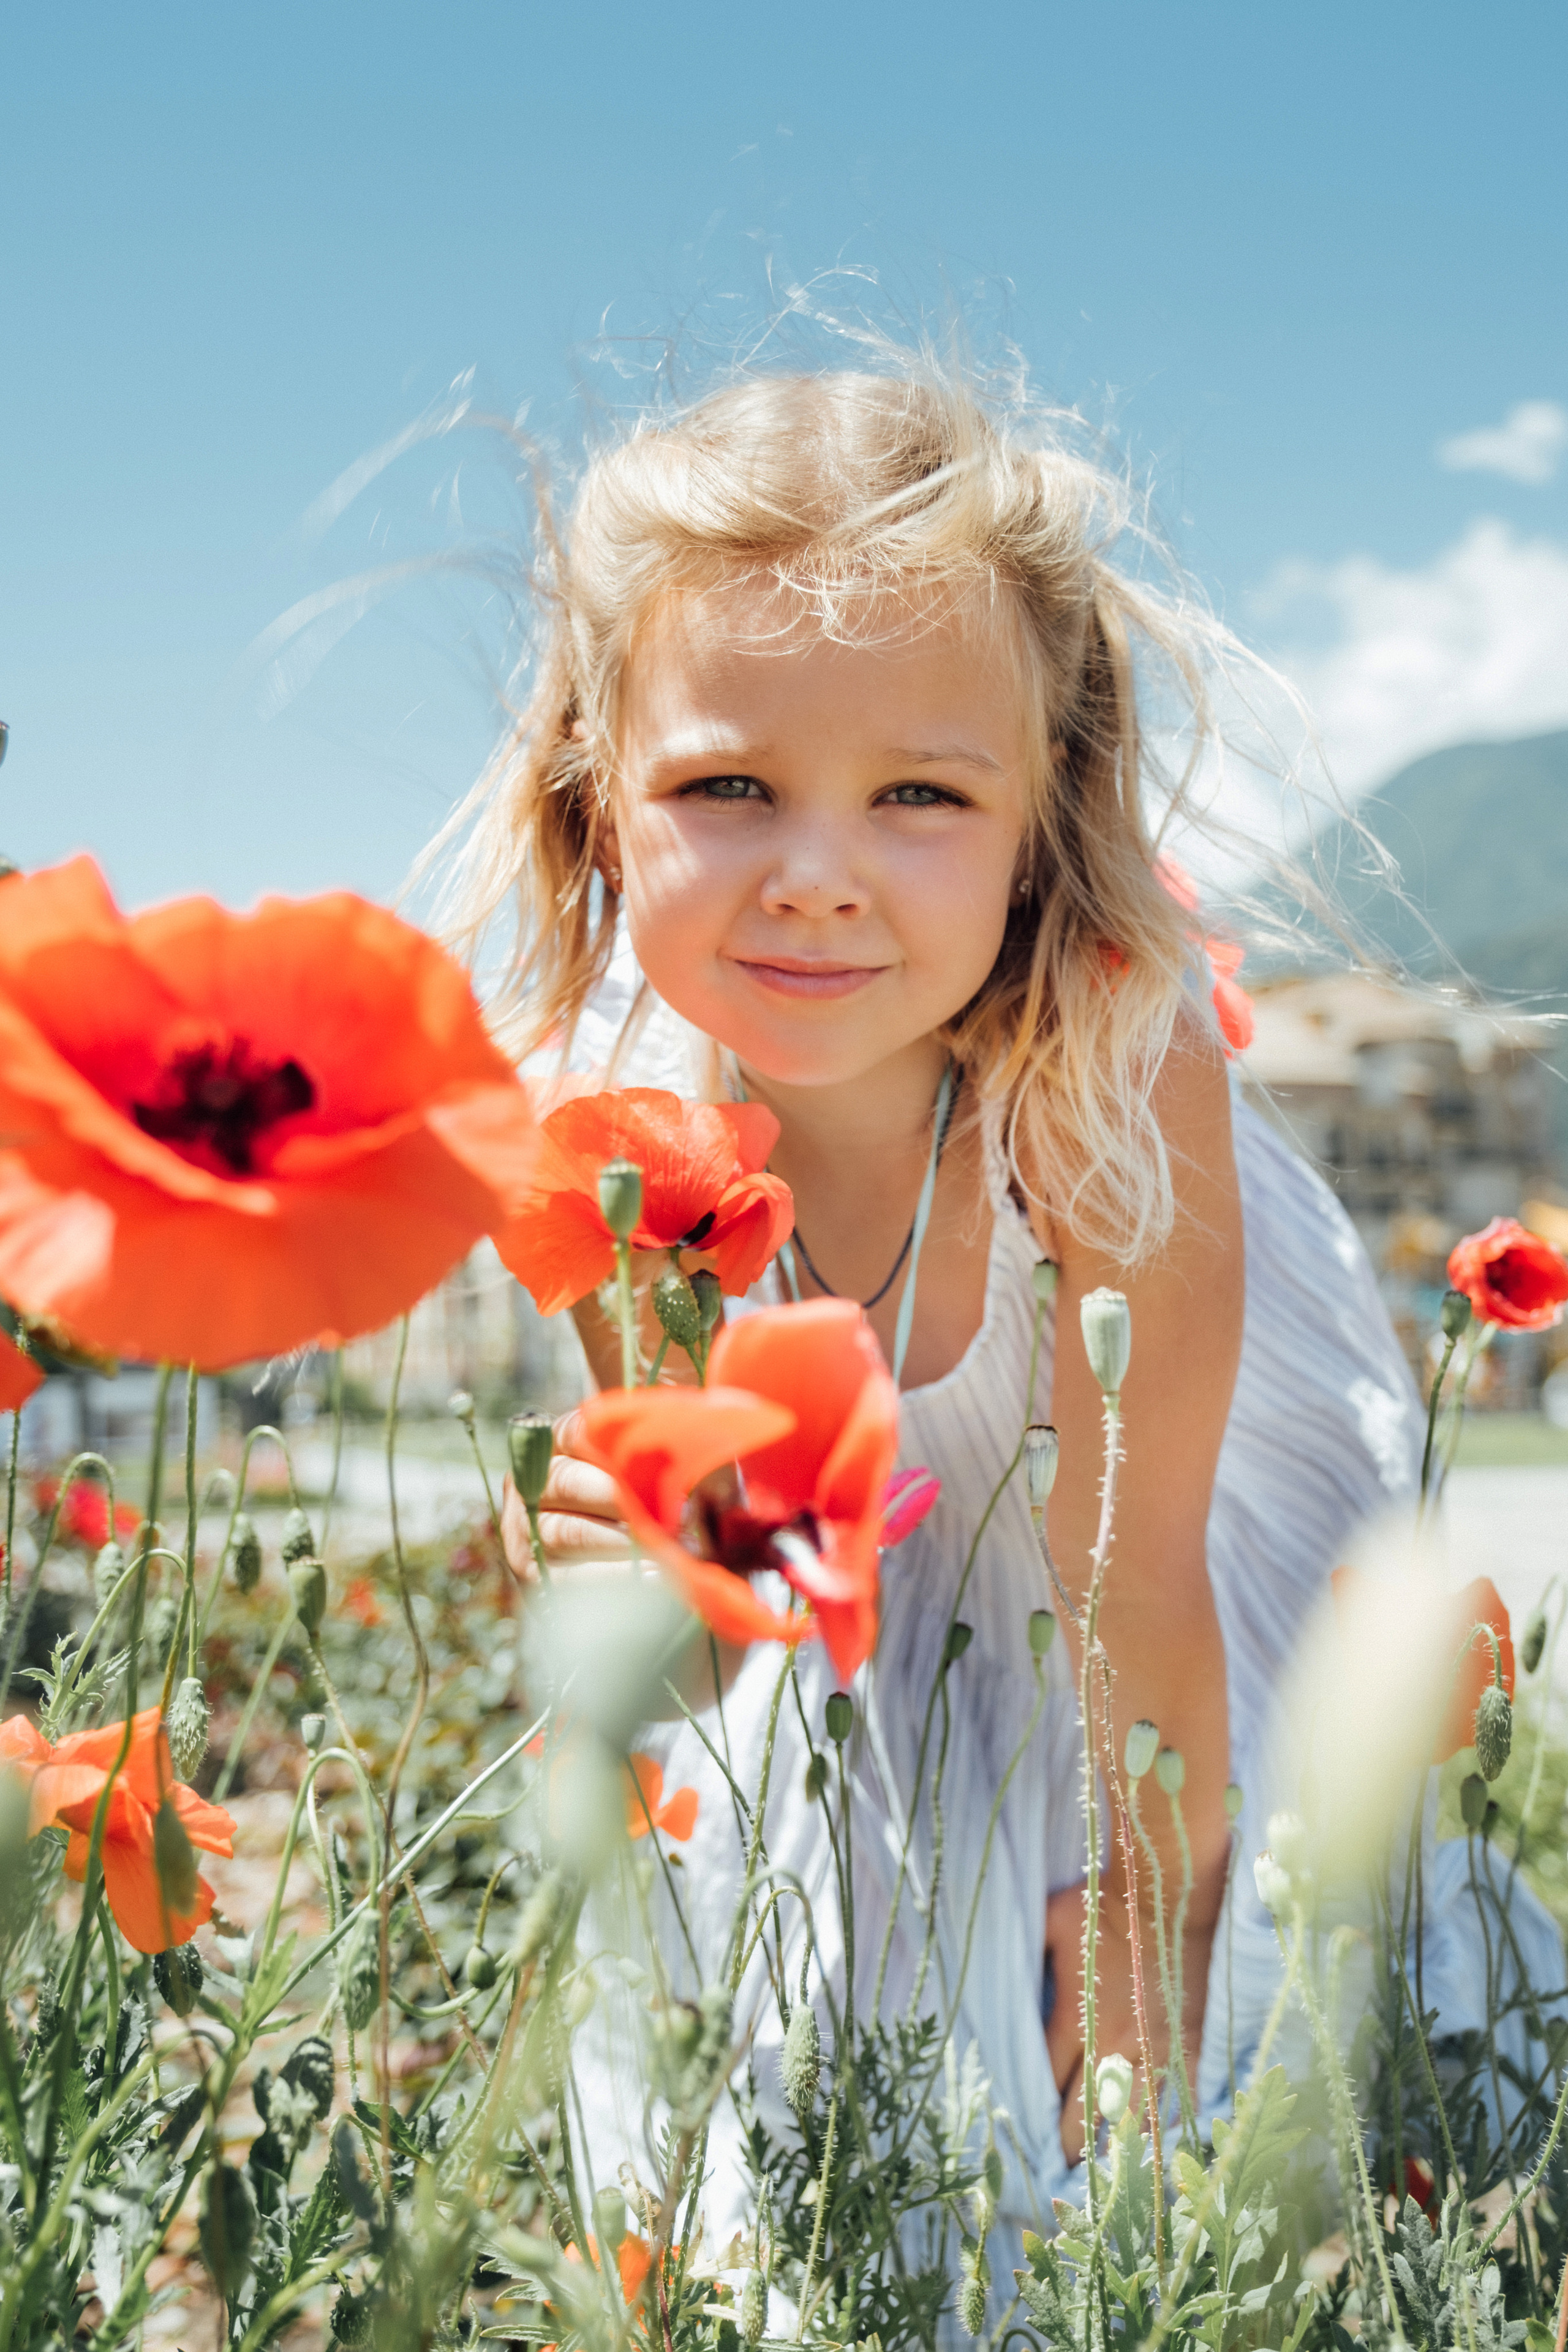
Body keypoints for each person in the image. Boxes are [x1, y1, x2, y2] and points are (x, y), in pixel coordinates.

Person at [431, 359, 1558, 2254]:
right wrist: (640, 1598)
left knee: (1193, 2176)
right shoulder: (613, 1122)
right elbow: (730, 1645)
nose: (817, 874)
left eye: (919, 797)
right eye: (727, 784)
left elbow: (1134, 1591)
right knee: (821, 2187)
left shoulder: (1112, 1060)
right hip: (881, 1673)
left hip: (1163, 1625)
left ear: (1042, 811)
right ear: (597, 789)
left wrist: (1136, 1981)